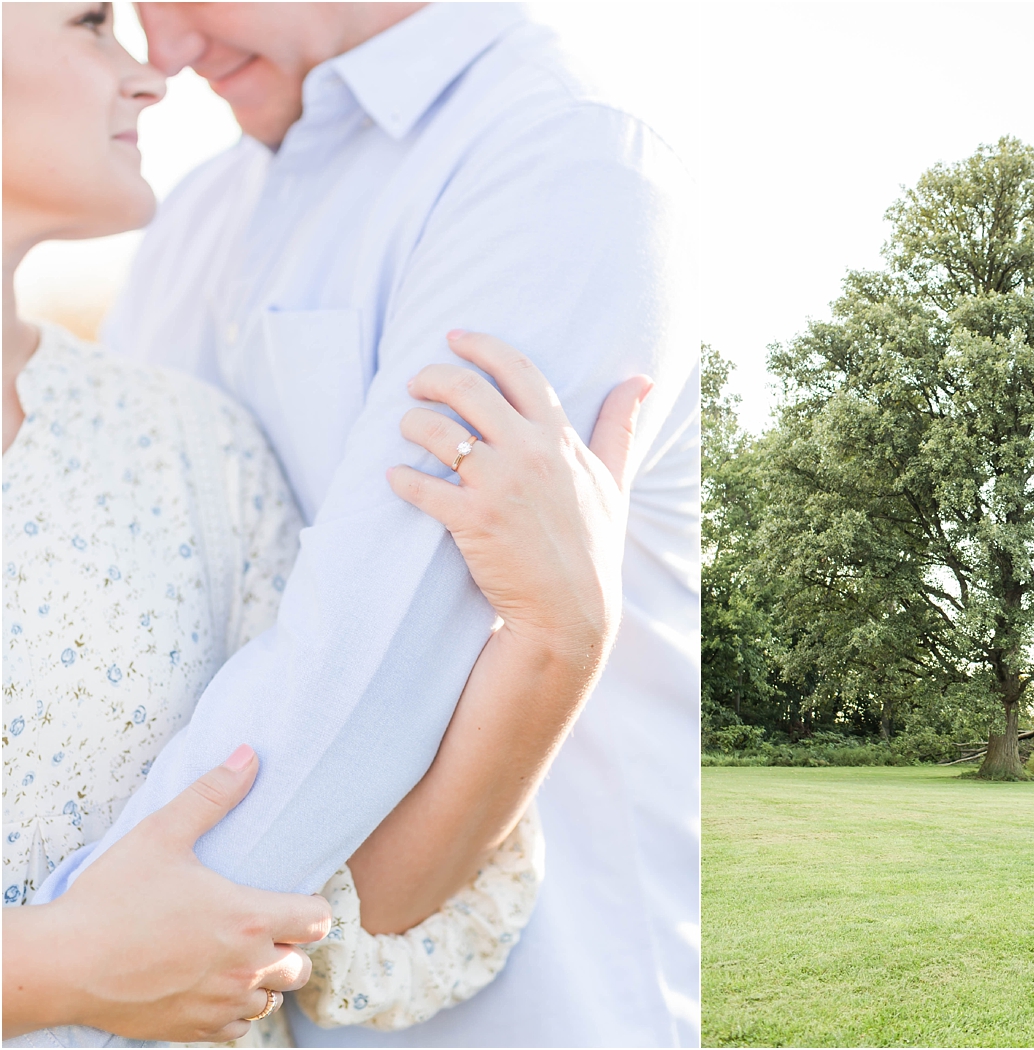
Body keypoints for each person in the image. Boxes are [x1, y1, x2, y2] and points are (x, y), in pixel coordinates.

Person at [47, 2, 700, 1046]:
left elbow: (360, 693)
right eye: (111, 13)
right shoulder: (193, 219)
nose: (162, 53)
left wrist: (62, 985)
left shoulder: (555, 158)